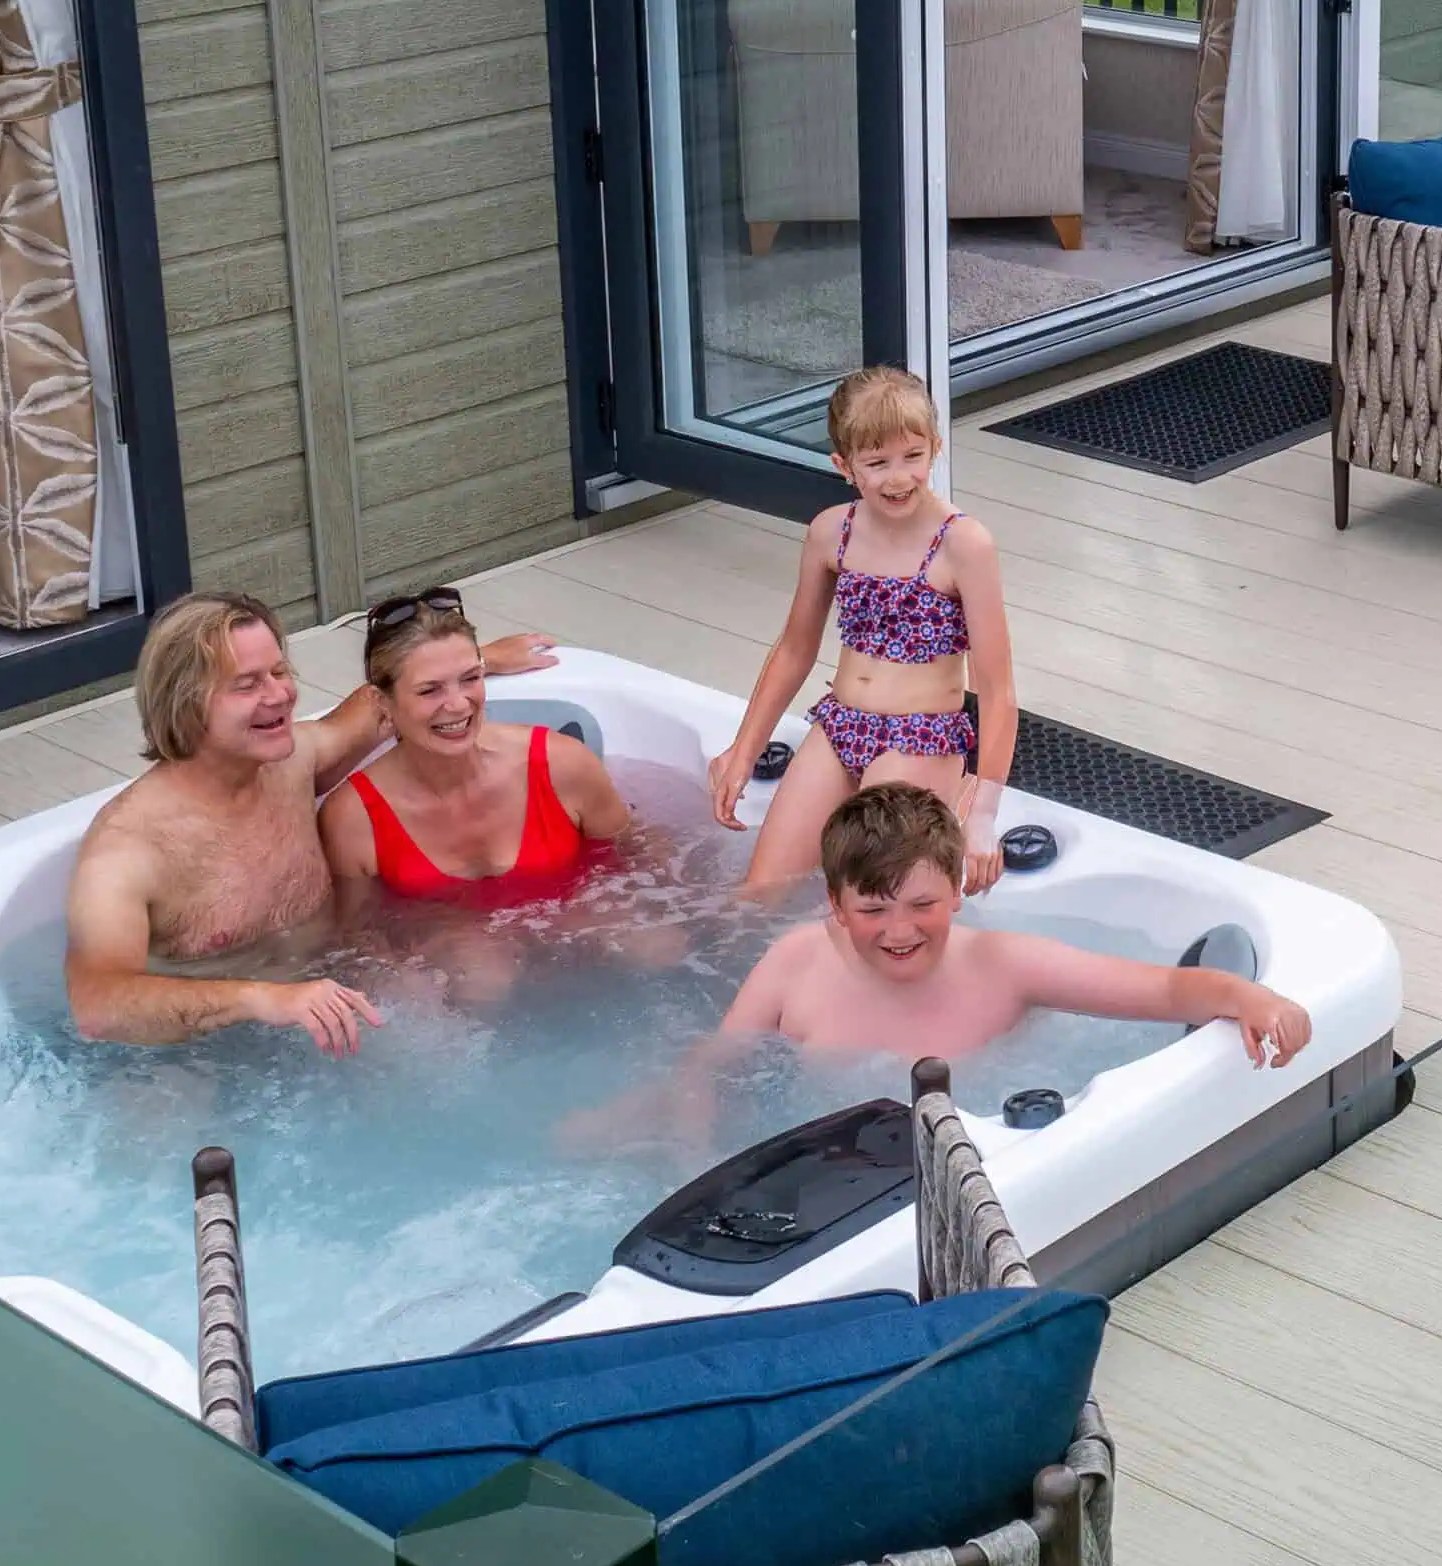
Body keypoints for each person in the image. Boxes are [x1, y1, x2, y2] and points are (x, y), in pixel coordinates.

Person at [63, 590, 557, 1050]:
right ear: (185, 703)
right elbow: (99, 1007)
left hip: (332, 991)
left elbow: (385, 702)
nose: (279, 695)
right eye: (248, 684)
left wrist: (475, 661)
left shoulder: (291, 761)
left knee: (465, 1006)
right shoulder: (127, 853)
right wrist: (259, 999)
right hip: (209, 1051)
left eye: (280, 672)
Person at [719, 784, 1312, 1064]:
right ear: (835, 905)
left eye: (920, 905)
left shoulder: (1006, 966)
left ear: (957, 891)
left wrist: (1249, 997)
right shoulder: (795, 963)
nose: (899, 931)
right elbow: (718, 1064)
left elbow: (1160, 989)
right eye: (873, 910)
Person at [708, 367, 1018, 895]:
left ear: (935, 447)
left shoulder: (963, 544)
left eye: (912, 457)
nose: (897, 478)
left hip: (919, 736)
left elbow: (997, 688)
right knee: (757, 897)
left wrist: (986, 814)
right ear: (844, 465)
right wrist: (744, 748)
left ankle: (958, 795)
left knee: (865, 904)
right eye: (876, 464)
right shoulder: (832, 532)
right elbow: (794, 648)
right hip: (841, 727)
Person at [318, 588, 631, 910]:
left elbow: (637, 866)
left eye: (470, 678)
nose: (457, 705)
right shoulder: (354, 819)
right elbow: (362, 935)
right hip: (450, 950)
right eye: (429, 690)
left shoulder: (562, 762)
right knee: (475, 960)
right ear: (382, 702)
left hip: (579, 923)